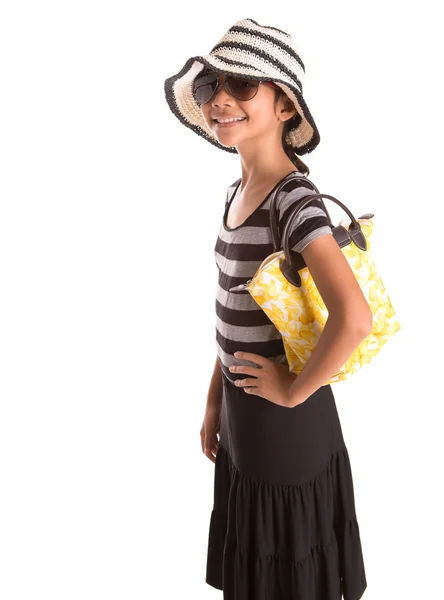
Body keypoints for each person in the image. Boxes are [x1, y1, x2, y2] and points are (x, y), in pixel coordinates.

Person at [164, 17, 370, 600]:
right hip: (244, 417)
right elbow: (233, 312)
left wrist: (292, 391)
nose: (221, 100)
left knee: (287, 579)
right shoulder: (235, 195)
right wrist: (214, 401)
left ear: (285, 105)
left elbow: (354, 317)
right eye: (211, 89)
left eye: (243, 86)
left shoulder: (293, 199)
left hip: (286, 423)